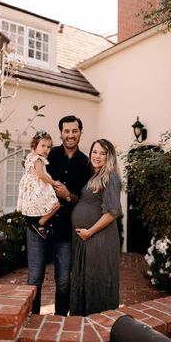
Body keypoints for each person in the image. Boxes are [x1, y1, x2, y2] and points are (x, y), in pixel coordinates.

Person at [26, 115, 91, 315]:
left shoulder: (85, 163)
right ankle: (32, 321)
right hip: (37, 226)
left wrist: (68, 196)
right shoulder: (47, 154)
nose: (70, 135)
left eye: (74, 131)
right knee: (34, 280)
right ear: (61, 133)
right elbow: (31, 175)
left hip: (64, 230)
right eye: (66, 131)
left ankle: (60, 322)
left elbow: (84, 200)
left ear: (80, 133)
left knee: (63, 281)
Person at [70, 138, 122, 316]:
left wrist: (89, 232)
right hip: (87, 239)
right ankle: (84, 325)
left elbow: (111, 212)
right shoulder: (94, 175)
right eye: (94, 152)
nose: (97, 156)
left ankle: (99, 328)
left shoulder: (110, 177)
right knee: (86, 282)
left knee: (97, 283)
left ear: (109, 157)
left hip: (99, 239)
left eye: (102, 153)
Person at [17, 131, 60, 240]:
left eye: (49, 147)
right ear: (34, 146)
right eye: (43, 146)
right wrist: (54, 182)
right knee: (56, 205)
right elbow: (41, 175)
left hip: (30, 188)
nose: (46, 149)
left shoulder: (30, 156)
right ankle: (40, 222)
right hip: (37, 187)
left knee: (37, 207)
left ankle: (38, 222)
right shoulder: (38, 159)